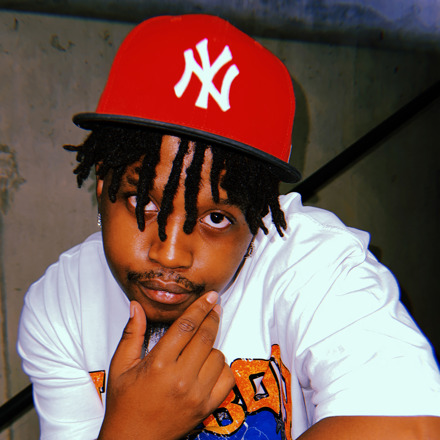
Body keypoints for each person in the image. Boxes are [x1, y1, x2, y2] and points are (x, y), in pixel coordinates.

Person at [17, 14, 440, 440]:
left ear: (258, 216)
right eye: (143, 203)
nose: (169, 254)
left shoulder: (318, 267)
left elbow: (415, 428)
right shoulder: (61, 305)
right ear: (102, 186)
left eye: (216, 219)